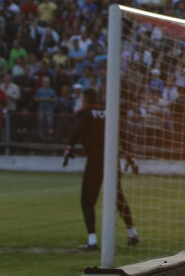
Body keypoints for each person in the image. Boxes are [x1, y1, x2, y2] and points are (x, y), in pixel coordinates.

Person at [64, 87, 139, 250]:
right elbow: (123, 133)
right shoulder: (108, 111)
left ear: (84, 99)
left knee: (87, 200)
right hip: (113, 157)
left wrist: (69, 147)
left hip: (96, 157)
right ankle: (132, 232)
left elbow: (77, 130)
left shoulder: (83, 113)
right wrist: (129, 156)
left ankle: (92, 240)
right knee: (117, 195)